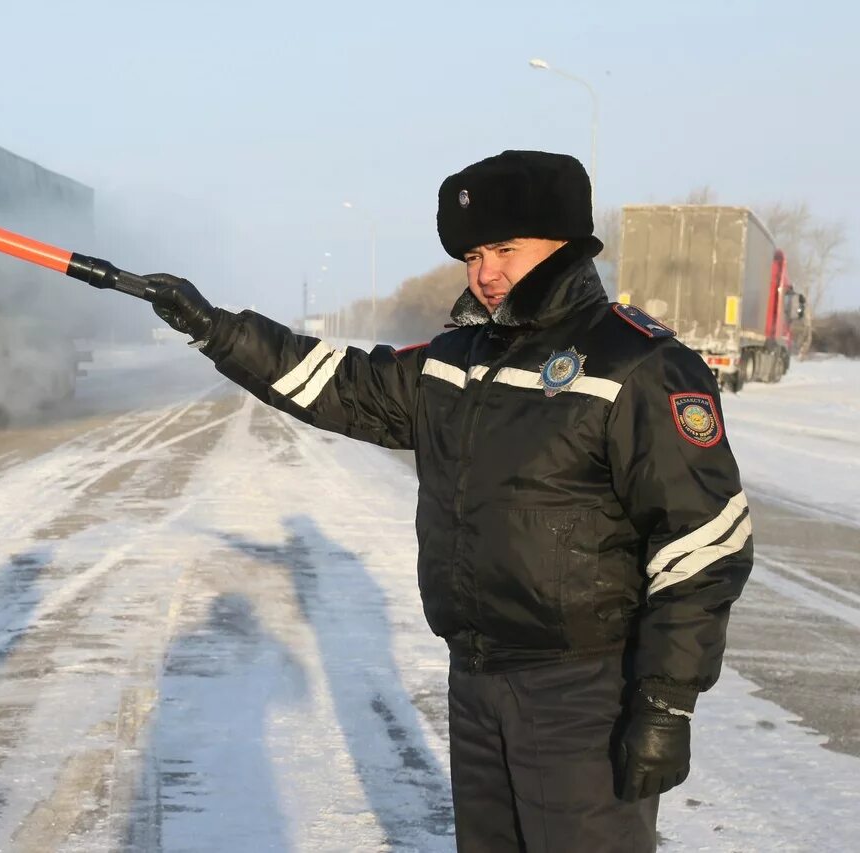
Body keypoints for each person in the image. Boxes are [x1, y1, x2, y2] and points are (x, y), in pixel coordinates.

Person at [145, 150, 752, 852]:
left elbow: (705, 538)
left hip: (583, 693)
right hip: (477, 681)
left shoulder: (635, 362)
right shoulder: (457, 357)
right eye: (470, 254)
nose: (484, 272)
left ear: (566, 242)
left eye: (503, 249)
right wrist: (214, 328)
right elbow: (340, 384)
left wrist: (666, 698)